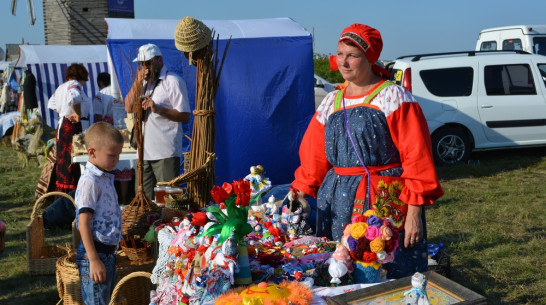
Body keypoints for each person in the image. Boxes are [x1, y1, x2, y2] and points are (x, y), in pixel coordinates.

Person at [291, 24, 444, 279]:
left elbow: (417, 155)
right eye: (340, 54)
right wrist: (302, 192)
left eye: (353, 55)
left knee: (386, 266)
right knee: (341, 267)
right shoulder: (332, 101)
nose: (344, 62)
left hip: (384, 199)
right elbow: (314, 155)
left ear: (370, 58)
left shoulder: (393, 97)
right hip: (339, 199)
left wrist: (415, 211)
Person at [125, 43, 191, 200]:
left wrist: (159, 109)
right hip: (143, 152)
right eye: (141, 64)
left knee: (167, 201)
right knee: (143, 201)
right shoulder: (144, 83)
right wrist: (137, 82)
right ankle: (146, 225)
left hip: (165, 152)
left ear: (159, 60)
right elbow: (128, 107)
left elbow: (185, 115)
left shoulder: (173, 81)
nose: (144, 67)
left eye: (148, 63)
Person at [75, 122, 124, 305]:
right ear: (92, 152)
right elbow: (83, 223)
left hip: (107, 253)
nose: (116, 160)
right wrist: (94, 259)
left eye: (118, 155)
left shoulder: (104, 176)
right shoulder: (90, 181)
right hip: (95, 253)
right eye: (112, 155)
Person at [48, 63, 91, 193]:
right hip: (71, 127)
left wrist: (63, 111)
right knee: (72, 162)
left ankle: (63, 194)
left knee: (64, 162)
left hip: (63, 126)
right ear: (80, 76)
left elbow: (51, 104)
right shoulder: (75, 84)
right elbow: (74, 97)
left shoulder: (61, 87)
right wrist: (76, 114)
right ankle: (73, 196)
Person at [93, 72, 134, 204]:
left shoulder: (101, 94)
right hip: (124, 129)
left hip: (107, 130)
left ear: (100, 83)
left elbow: (98, 116)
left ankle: (110, 199)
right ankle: (124, 199)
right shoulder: (123, 90)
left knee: (107, 164)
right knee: (125, 164)